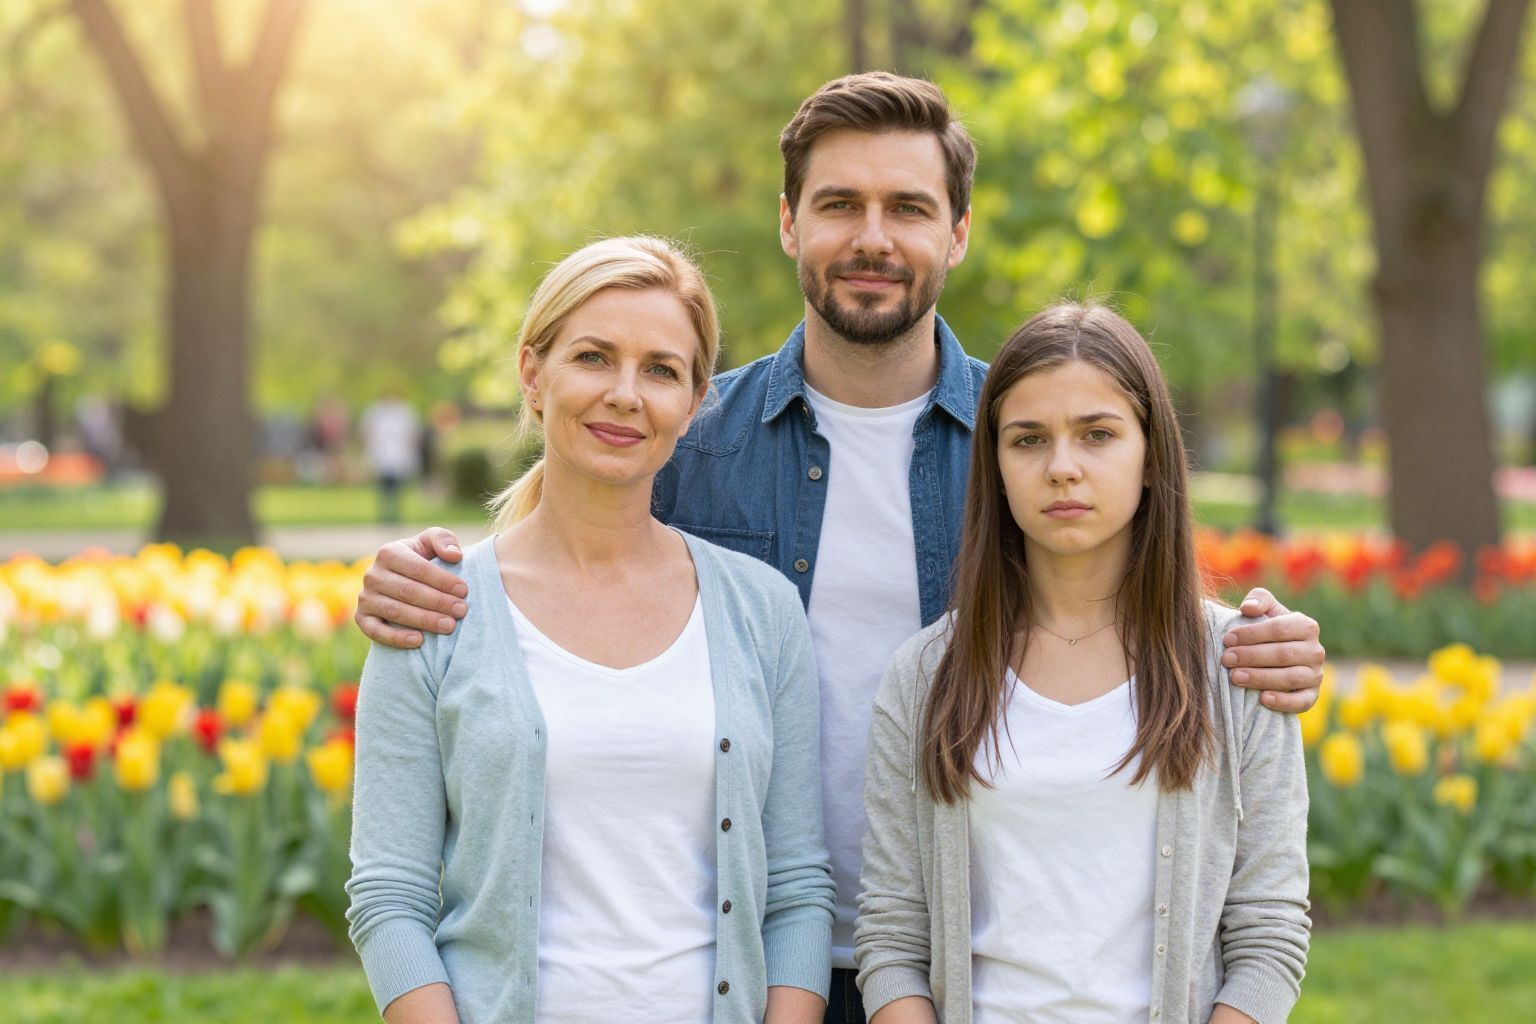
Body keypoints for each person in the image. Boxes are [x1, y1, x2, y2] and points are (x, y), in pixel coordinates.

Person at [352, 73, 1325, 1024]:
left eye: (907, 206)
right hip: (755, 961)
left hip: (958, 966)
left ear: (957, 233)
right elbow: (579, 554)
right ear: (789, 223)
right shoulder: (698, 430)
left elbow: (1122, 600)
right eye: (838, 204)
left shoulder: (1024, 430)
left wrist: (1256, 651)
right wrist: (428, 586)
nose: (871, 237)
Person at [346, 236, 834, 1024]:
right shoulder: (435, 608)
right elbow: (388, 895)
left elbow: (799, 892)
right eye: (594, 357)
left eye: (661, 370)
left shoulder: (761, 611)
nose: (625, 394)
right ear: (533, 375)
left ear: (696, 400)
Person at [856, 304, 1309, 1024]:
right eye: (1028, 439)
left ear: (1152, 454)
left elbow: (1269, 933)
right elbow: (892, 936)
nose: (1062, 468)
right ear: (996, 467)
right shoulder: (926, 676)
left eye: (1097, 435)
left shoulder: (1235, 669)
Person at [360, 389, 423, 524]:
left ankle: (394, 514)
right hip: (382, 455)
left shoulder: (405, 412)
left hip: (398, 456)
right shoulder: (376, 412)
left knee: (396, 488)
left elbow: (412, 434)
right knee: (383, 488)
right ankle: (385, 515)